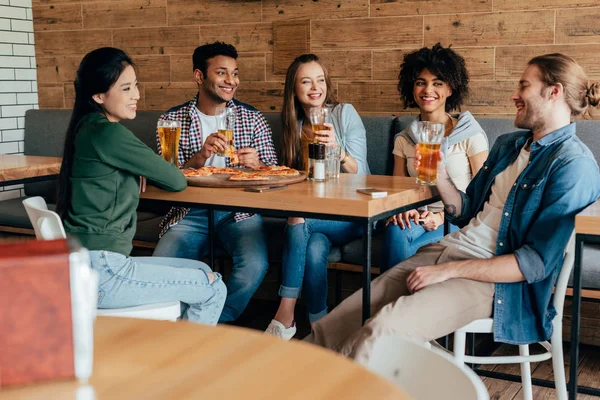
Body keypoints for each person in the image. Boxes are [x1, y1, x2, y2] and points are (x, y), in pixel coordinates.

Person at [304, 53, 600, 364]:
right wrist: (441, 175)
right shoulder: (510, 145)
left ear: (554, 92)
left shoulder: (573, 165)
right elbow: (465, 209)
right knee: (335, 325)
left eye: (524, 86)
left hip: (495, 282)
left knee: (381, 333)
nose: (515, 94)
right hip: (449, 250)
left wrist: (446, 271)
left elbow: (534, 264)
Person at [56, 47, 226, 325]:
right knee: (212, 286)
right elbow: (174, 179)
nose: (136, 95)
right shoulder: (109, 133)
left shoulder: (86, 127)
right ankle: (186, 367)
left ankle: (169, 356)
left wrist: (135, 171)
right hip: (104, 272)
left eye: (135, 85)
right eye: (126, 88)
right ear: (99, 96)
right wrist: (142, 171)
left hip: (86, 264)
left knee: (200, 268)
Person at [152, 42, 278, 323]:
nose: (231, 81)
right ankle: (177, 328)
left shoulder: (252, 118)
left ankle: (212, 323)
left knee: (255, 265)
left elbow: (273, 173)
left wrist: (258, 166)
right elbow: (163, 175)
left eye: (234, 73)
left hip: (238, 211)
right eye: (222, 73)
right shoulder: (171, 120)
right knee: (160, 266)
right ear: (199, 76)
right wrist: (200, 156)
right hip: (189, 212)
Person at [265, 54, 370, 340]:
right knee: (313, 249)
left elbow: (363, 173)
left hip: (353, 213)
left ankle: (284, 315)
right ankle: (321, 331)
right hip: (317, 216)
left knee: (298, 219)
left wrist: (338, 150)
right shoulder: (292, 125)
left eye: (320, 80)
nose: (315, 87)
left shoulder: (344, 113)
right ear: (294, 88)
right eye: (306, 81)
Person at [381, 44, 489, 272]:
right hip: (417, 216)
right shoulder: (404, 138)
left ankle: (394, 302)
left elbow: (482, 195)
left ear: (450, 89)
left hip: (456, 220)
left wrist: (441, 218)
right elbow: (397, 189)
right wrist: (402, 209)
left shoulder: (471, 135)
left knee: (404, 249)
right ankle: (394, 303)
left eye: (437, 83)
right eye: (421, 82)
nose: (428, 89)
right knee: (394, 230)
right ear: (412, 88)